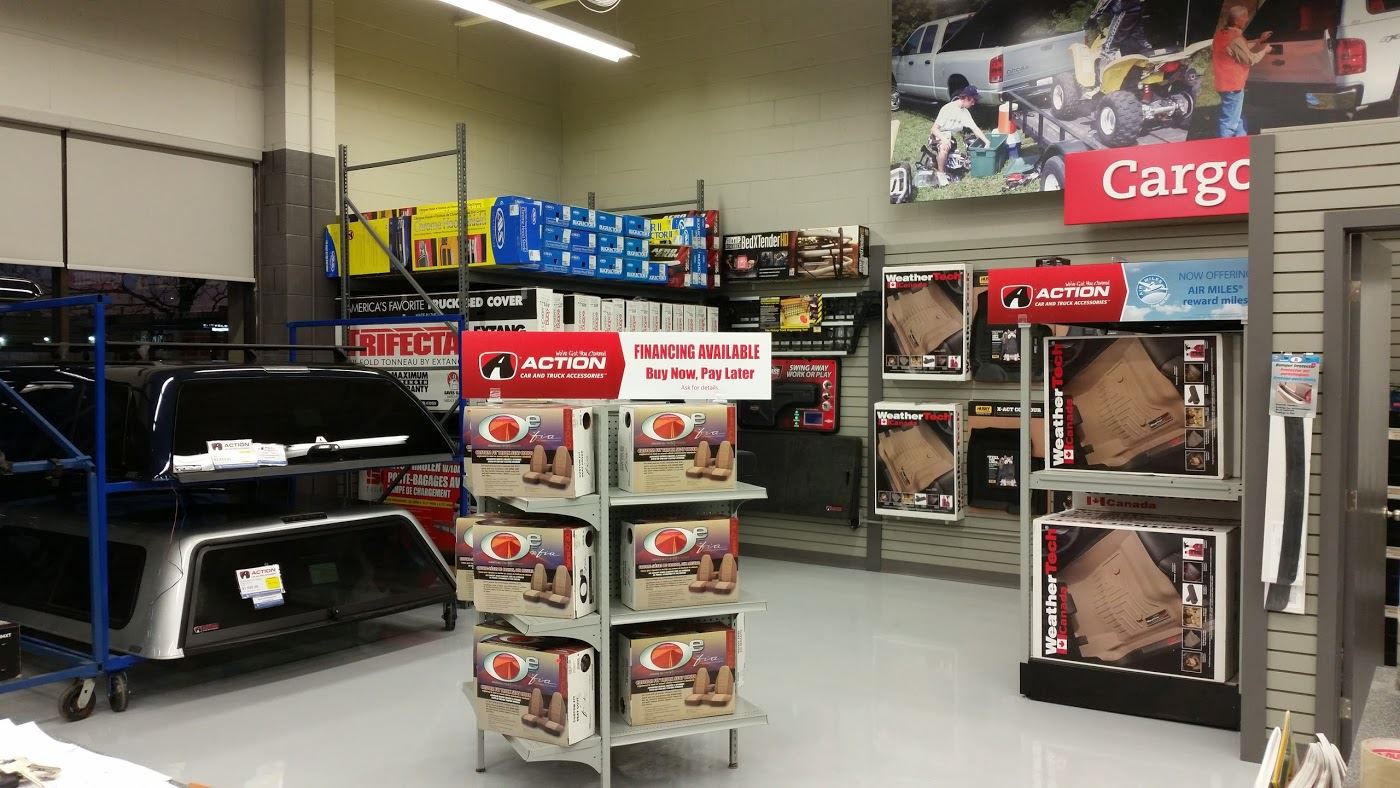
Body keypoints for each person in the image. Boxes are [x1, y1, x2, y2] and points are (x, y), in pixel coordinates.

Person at [1212, 5, 1272, 138]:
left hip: (1222, 82)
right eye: (1244, 17)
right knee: (1229, 122)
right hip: (1233, 85)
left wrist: (1259, 40)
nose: (1246, 19)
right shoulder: (1235, 38)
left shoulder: (1222, 34)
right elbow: (1249, 59)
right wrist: (1265, 50)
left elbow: (1238, 48)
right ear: (1237, 20)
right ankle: (1224, 146)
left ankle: (1242, 142)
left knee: (1237, 117)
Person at [932, 86, 991, 185]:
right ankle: (940, 174)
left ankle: (948, 161)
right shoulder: (948, 108)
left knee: (969, 146)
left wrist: (986, 141)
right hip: (940, 134)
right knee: (944, 147)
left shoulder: (965, 112)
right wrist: (944, 139)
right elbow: (934, 129)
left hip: (952, 137)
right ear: (967, 98)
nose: (974, 103)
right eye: (973, 100)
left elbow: (975, 129)